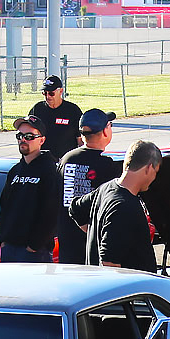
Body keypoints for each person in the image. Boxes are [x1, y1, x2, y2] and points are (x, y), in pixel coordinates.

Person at [75, 140, 162, 272]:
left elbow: (76, 208)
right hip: (128, 289)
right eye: (156, 172)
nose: (154, 178)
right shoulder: (124, 207)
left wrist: (95, 235)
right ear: (149, 168)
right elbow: (109, 262)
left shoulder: (106, 188)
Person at [57, 109, 121, 266]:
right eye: (109, 125)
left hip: (67, 244)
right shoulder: (108, 165)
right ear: (105, 132)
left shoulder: (67, 158)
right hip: (94, 246)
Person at [0, 117, 61, 262]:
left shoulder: (50, 171)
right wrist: (3, 240)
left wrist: (34, 245)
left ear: (42, 140)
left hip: (35, 252)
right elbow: (4, 207)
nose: (23, 140)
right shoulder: (15, 171)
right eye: (20, 136)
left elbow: (51, 212)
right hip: (9, 248)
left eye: (29, 136)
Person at [27, 77, 84, 159]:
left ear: (60, 91)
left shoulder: (73, 111)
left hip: (66, 161)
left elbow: (80, 140)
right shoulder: (37, 109)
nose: (47, 96)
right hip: (43, 160)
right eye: (44, 93)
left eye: (51, 93)